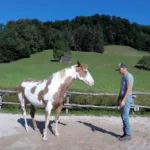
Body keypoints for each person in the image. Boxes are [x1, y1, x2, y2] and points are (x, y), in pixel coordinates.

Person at [115, 63, 134, 141]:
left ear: (123, 68)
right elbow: (122, 89)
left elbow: (129, 90)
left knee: (125, 117)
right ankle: (125, 133)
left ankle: (128, 134)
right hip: (123, 98)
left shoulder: (129, 77)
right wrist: (118, 98)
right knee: (123, 116)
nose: (118, 71)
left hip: (127, 98)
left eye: (119, 69)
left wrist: (123, 100)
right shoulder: (123, 77)